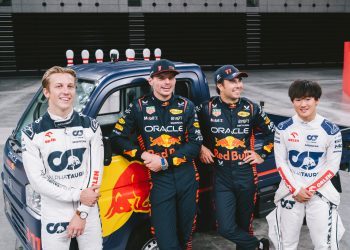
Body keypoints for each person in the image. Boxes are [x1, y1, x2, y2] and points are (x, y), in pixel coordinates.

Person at [110, 59, 202, 250]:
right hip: (160, 181)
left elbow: (195, 143)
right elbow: (117, 138)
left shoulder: (187, 106)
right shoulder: (139, 107)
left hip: (187, 177)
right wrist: (142, 155)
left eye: (170, 78)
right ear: (150, 80)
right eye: (161, 78)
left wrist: (165, 162)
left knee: (185, 237)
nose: (167, 82)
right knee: (166, 240)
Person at [21, 66, 104, 250]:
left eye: (70, 86)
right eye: (59, 86)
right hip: (54, 213)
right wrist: (77, 195)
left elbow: (96, 173)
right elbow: (37, 181)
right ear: (46, 92)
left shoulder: (90, 126)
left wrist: (82, 212)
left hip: (87, 211)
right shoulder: (32, 133)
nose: (66, 91)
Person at [197, 65, 274, 250]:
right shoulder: (206, 108)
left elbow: (273, 133)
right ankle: (258, 246)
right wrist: (200, 147)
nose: (238, 85)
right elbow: (188, 129)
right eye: (232, 81)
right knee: (225, 228)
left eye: (240, 80)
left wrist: (261, 154)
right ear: (220, 85)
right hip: (221, 176)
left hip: (246, 175)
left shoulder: (251, 108)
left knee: (244, 227)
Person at [267, 80, 344, 250]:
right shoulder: (283, 128)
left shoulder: (331, 130)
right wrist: (295, 190)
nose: (303, 104)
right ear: (292, 102)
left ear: (317, 100)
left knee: (324, 245)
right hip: (290, 192)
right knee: (286, 245)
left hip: (320, 193)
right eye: (298, 100)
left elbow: (332, 167)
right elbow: (281, 163)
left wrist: (310, 190)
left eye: (308, 99)